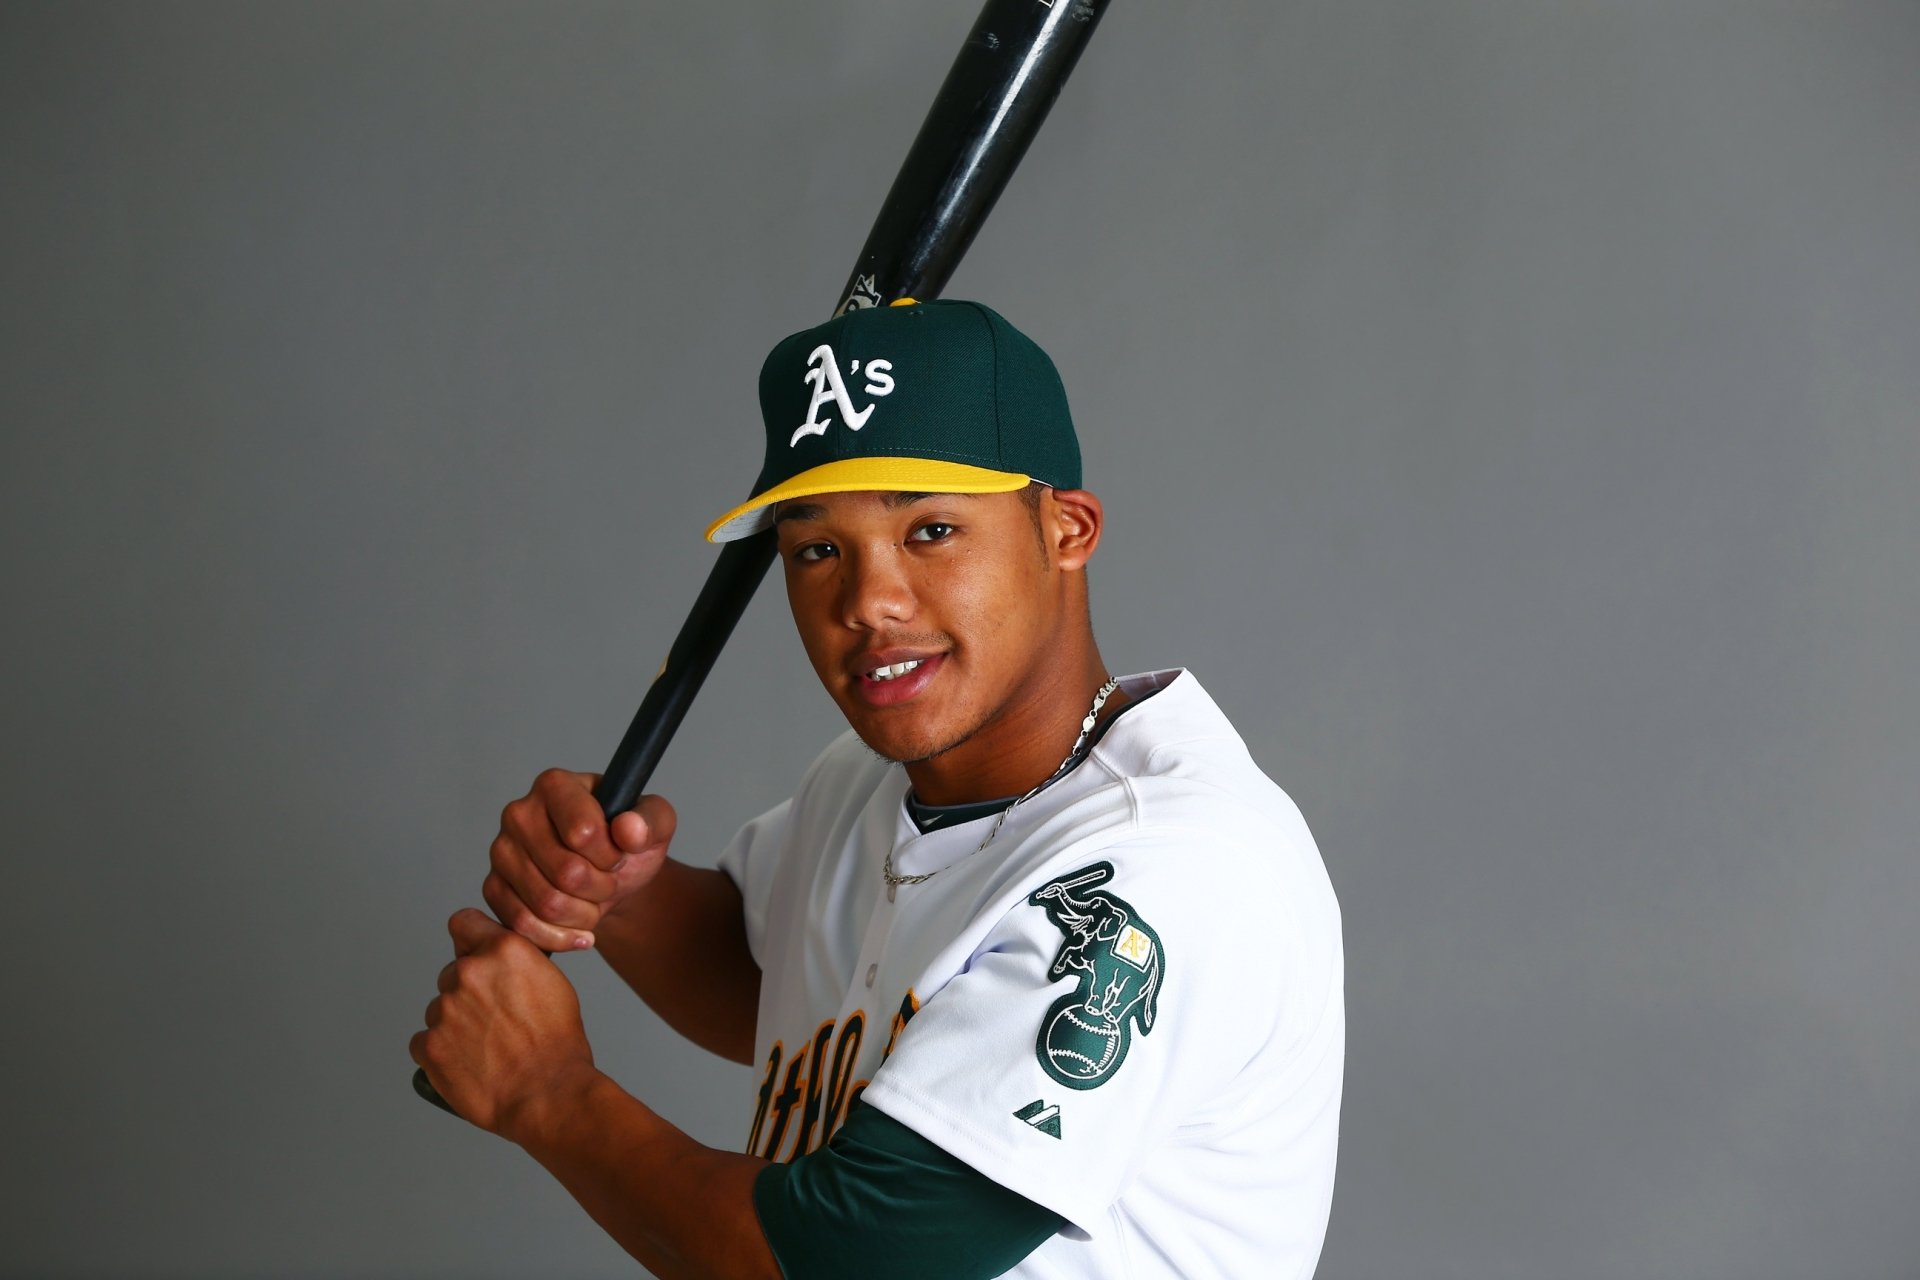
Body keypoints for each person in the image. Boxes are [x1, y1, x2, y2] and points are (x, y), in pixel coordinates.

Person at [411, 299, 1344, 1278]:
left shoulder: (1169, 867)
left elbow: (846, 1259)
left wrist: (548, 1095)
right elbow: (773, 985)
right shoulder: (863, 781)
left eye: (931, 529)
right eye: (818, 548)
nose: (866, 602)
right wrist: (617, 889)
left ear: (1066, 530)